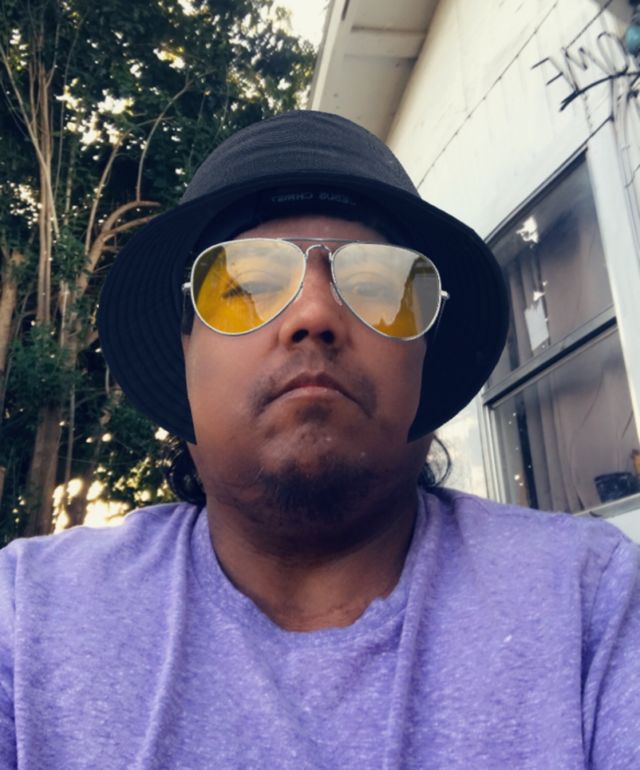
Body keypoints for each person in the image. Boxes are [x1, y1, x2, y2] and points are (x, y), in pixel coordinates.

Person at [0, 110, 638, 769]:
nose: (315, 313)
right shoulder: (29, 619)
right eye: (246, 284)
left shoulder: (590, 602)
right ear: (185, 353)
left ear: (423, 358)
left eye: (377, 285)